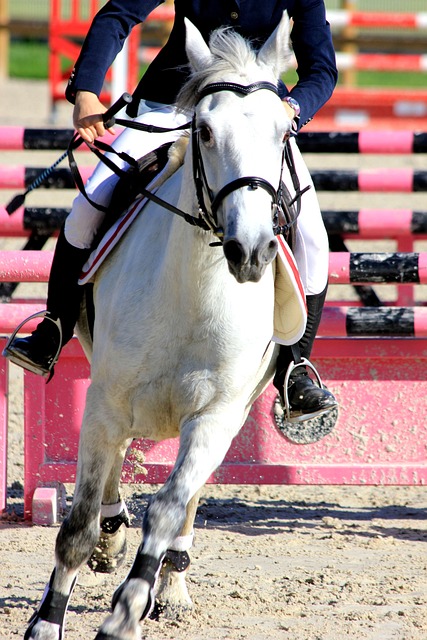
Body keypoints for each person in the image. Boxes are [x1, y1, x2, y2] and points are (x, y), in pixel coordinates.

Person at [4, 0, 338, 421]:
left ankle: (295, 369)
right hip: (174, 105)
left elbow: (322, 69)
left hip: (254, 118)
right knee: (88, 208)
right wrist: (87, 90)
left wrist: (291, 108)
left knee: (311, 233)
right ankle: (53, 330)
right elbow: (119, 14)